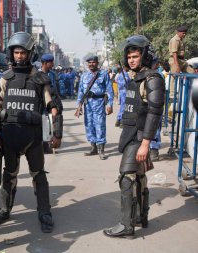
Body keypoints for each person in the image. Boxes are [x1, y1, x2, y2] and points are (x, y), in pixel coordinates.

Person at [0, 32, 62, 233]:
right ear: (11, 54)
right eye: (16, 52)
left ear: (31, 54)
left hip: (34, 136)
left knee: (38, 174)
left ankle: (45, 212)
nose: (19, 56)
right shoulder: (5, 79)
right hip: (10, 135)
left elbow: (54, 108)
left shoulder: (40, 79)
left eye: (23, 52)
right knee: (9, 174)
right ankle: (5, 210)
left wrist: (56, 135)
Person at [103, 35, 165, 238]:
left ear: (144, 56)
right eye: (129, 56)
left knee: (126, 179)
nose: (131, 60)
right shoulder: (134, 78)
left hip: (139, 138)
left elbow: (155, 113)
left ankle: (126, 226)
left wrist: (146, 144)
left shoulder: (152, 79)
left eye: (135, 56)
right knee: (138, 176)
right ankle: (141, 217)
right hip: (131, 135)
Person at [76, 56, 114, 160]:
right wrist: (79, 105)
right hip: (87, 104)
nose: (91, 64)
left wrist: (110, 104)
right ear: (87, 64)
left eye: (94, 62)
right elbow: (80, 91)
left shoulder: (104, 74)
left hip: (99, 103)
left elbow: (109, 90)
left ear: (97, 63)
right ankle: (93, 148)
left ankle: (101, 149)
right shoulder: (84, 75)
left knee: (100, 125)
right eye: (90, 62)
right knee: (89, 125)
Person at [40, 53, 63, 154]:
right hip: (42, 101)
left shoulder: (53, 74)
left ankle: (49, 145)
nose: (53, 64)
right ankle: (44, 146)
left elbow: (54, 89)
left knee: (52, 123)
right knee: (44, 123)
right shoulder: (37, 74)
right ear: (44, 63)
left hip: (53, 101)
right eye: (51, 62)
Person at [168, 26, 193, 98]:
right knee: (174, 76)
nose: (184, 35)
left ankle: (191, 91)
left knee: (192, 73)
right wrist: (177, 65)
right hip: (175, 59)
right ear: (178, 32)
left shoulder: (181, 39)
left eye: (185, 33)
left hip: (181, 60)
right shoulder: (175, 40)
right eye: (183, 33)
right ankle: (172, 95)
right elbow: (174, 53)